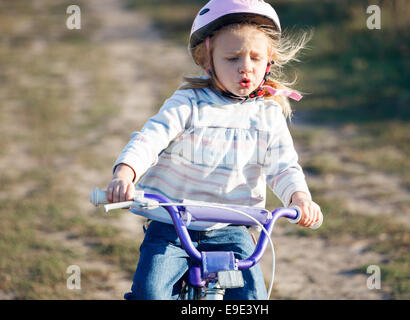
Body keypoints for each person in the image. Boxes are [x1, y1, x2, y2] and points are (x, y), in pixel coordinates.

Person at [107, 0, 323, 300]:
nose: (245, 67)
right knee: (150, 292)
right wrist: (125, 173)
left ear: (269, 61)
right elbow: (150, 138)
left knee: (251, 297)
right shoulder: (188, 103)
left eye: (256, 58)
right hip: (173, 225)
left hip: (233, 226)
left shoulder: (268, 115)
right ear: (208, 60)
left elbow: (283, 166)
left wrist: (300, 198)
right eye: (233, 58)